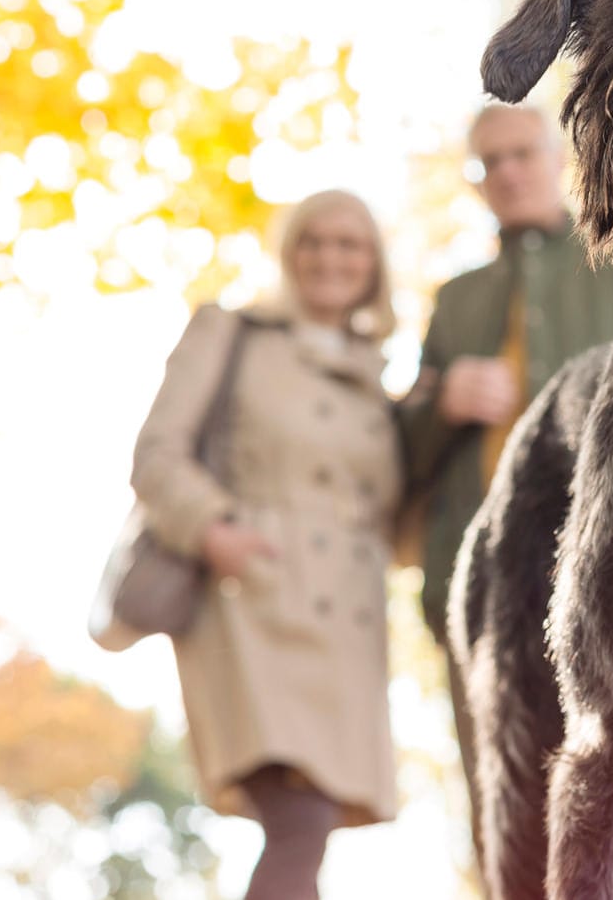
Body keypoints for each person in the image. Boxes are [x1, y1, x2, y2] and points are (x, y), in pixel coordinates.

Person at [131, 190, 400, 900]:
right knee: (297, 816)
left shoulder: (377, 377)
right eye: (312, 240)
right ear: (289, 252)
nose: (328, 257)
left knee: (306, 824)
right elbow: (156, 455)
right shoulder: (230, 331)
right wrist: (214, 529)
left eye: (349, 244)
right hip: (252, 600)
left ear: (372, 264)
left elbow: (394, 517)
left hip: (346, 625)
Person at [397, 103, 613, 865]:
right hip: (485, 589)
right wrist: (440, 402)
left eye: (520, 154)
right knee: (504, 814)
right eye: (487, 162)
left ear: (556, 157)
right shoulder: (454, 299)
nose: (507, 172)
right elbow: (399, 457)